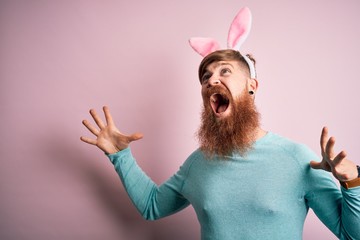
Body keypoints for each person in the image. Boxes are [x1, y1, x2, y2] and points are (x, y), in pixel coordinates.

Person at [80, 7, 360, 240]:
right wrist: (120, 155)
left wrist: (352, 181)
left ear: (252, 86)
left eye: (225, 71)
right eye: (205, 77)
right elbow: (152, 206)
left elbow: (351, 234)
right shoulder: (198, 163)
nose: (211, 80)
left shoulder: (298, 160)